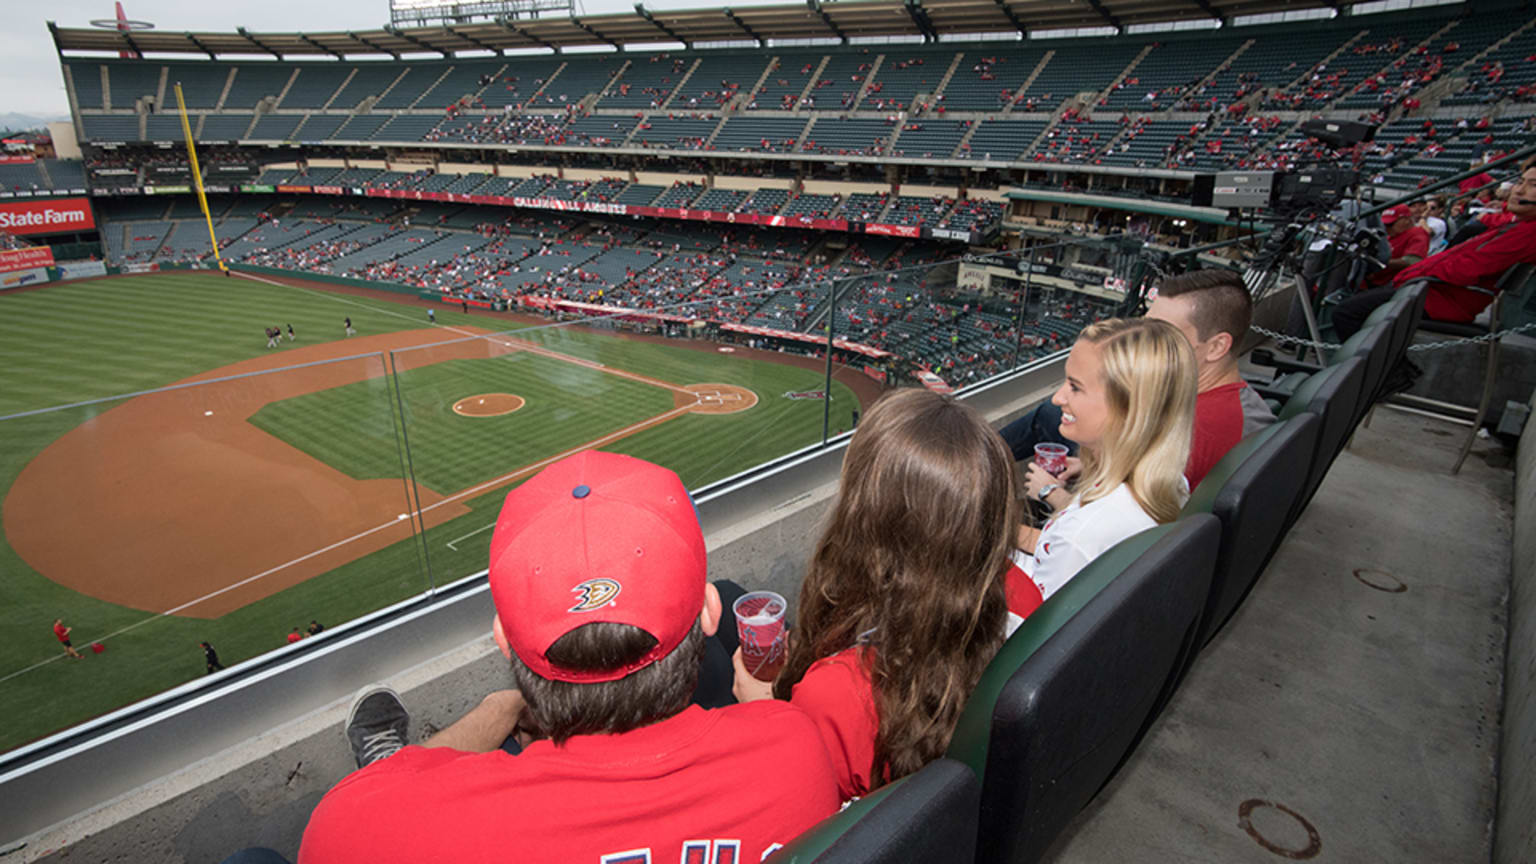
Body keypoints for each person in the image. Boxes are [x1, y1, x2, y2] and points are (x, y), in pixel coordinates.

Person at [299, 451, 840, 863]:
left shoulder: (352, 827)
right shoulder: (796, 750)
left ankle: (390, 759)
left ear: (503, 639)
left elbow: (348, 830)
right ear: (708, 612)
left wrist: (499, 710)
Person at [731, 388, 1019, 801]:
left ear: (863, 518)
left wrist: (764, 711)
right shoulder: (1021, 593)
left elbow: (797, 801)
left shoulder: (835, 695)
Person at [1000, 270, 1273, 493]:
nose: (1141, 340)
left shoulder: (1195, 431)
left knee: (1050, 412)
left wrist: (1051, 493)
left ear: (1216, 347)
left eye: (1160, 333)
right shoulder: (1239, 403)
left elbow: (1120, 522)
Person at [1010, 318, 1197, 616]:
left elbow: (1030, 632)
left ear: (1129, 410)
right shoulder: (1171, 483)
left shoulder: (1083, 533)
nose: (1058, 398)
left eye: (1075, 387)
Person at [1333, 156, 1536, 349]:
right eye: (1520, 182)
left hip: (1440, 299)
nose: (1519, 191)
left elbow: (1465, 269)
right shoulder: (1518, 225)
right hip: (1431, 292)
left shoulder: (1528, 233)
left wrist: (1413, 275)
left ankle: (1386, 376)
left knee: (1346, 312)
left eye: (1532, 185)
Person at [1362, 204, 1429, 288]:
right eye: (1384, 225)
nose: (1386, 228)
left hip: (1392, 285)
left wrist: (1374, 263)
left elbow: (1412, 261)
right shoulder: (1391, 234)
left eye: (1390, 224)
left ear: (1406, 220)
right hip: (1372, 280)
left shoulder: (1418, 234)